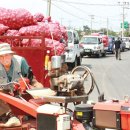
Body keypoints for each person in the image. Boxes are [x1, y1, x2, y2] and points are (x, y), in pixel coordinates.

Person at [0, 43, 43, 128]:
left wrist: (38, 87)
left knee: (37, 92)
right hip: (3, 96)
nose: (4, 58)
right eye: (1, 56)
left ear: (12, 55)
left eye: (7, 55)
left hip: (19, 94)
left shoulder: (21, 61)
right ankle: (11, 116)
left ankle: (33, 114)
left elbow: (32, 79)